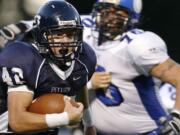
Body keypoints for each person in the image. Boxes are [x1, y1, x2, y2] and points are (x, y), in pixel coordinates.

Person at [82, 0, 180, 134]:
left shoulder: (138, 45)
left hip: (151, 131)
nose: (110, 17)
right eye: (105, 10)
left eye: (118, 13)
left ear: (132, 18)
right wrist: (87, 82)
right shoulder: (83, 31)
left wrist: (177, 117)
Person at [0, 0, 97, 135]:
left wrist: (89, 124)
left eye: (70, 34)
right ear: (42, 35)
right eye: (57, 35)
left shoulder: (84, 58)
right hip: (9, 129)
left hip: (46, 128)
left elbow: (80, 82)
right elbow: (17, 122)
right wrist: (65, 118)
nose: (65, 42)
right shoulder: (25, 58)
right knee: (57, 105)